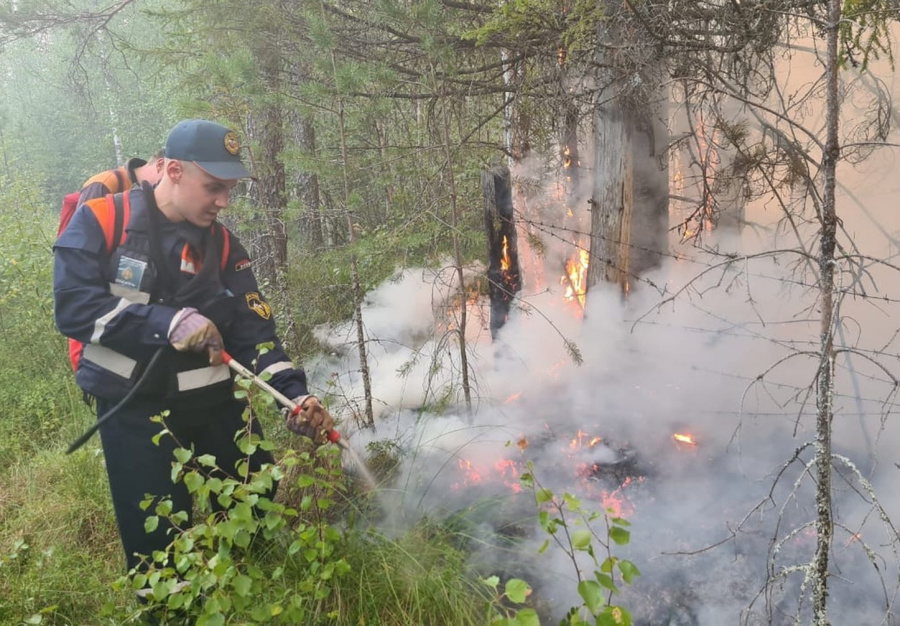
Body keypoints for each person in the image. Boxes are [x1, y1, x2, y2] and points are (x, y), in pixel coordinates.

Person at [52, 119, 334, 577]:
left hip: (214, 404)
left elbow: (253, 332)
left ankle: (252, 588)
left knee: (255, 502)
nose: (224, 202)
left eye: (231, 190)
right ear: (173, 170)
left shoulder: (223, 246)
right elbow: (74, 309)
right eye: (214, 187)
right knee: (158, 545)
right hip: (133, 410)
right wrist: (168, 322)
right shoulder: (103, 220)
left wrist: (295, 393)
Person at [62, 152, 165, 371]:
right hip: (99, 307)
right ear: (161, 165)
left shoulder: (132, 185)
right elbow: (86, 250)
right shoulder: (103, 185)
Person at [77, 152, 165, 205]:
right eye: (173, 171)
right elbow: (83, 232)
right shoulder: (104, 184)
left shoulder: (150, 194)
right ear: (160, 165)